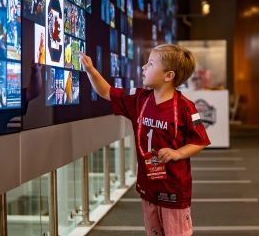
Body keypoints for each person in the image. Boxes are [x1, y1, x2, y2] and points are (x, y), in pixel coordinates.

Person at [81, 44, 210, 236]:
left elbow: (199, 141)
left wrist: (177, 153)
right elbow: (107, 92)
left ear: (169, 76)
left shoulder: (186, 107)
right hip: (148, 186)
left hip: (173, 189)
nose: (143, 67)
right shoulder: (139, 99)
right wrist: (91, 71)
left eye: (150, 64)